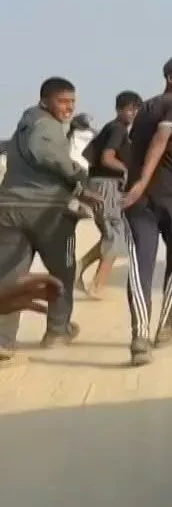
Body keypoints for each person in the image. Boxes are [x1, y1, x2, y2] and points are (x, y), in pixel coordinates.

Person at [0, 77, 88, 362]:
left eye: (72, 102)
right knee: (62, 271)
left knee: (10, 277)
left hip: (10, 207)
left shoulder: (22, 126)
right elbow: (44, 150)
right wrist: (76, 173)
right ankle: (57, 329)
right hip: (47, 210)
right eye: (63, 101)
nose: (69, 108)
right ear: (45, 101)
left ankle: (3, 340)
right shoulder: (44, 125)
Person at [122, 55, 172, 366]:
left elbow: (134, 146)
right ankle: (165, 325)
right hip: (171, 193)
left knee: (140, 265)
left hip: (139, 200)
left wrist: (135, 184)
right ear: (170, 76)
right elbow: (160, 139)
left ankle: (139, 337)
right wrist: (143, 181)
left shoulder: (144, 108)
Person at [76, 91, 141, 300]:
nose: (132, 113)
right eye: (128, 109)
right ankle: (97, 286)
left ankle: (79, 268)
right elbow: (106, 158)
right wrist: (126, 170)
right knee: (115, 237)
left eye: (135, 109)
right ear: (119, 109)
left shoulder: (114, 129)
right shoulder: (117, 129)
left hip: (105, 186)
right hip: (107, 187)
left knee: (112, 236)